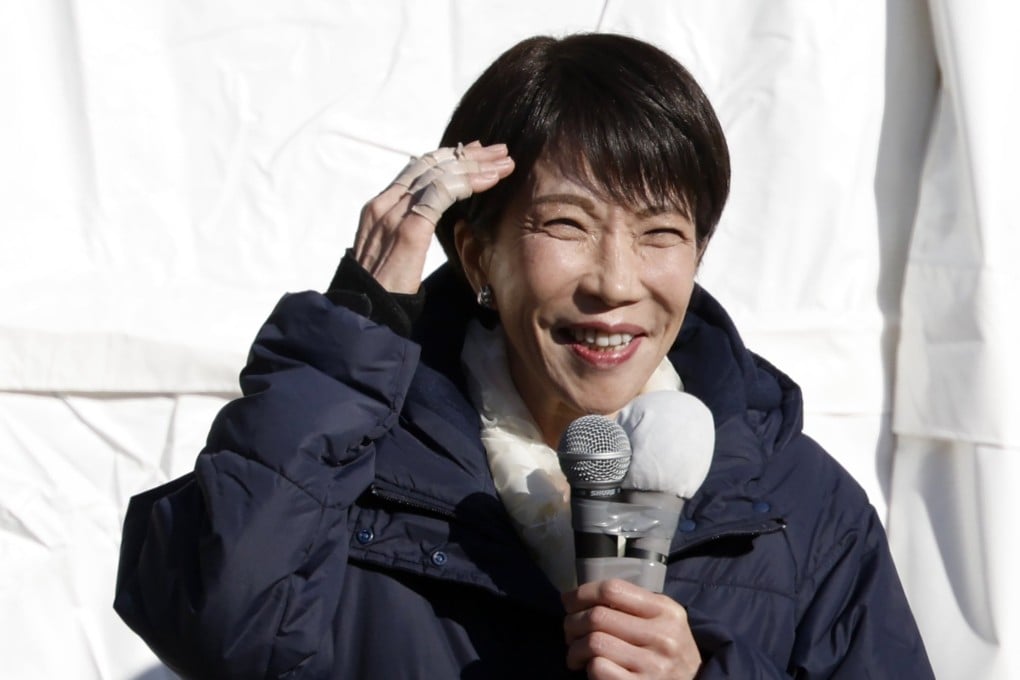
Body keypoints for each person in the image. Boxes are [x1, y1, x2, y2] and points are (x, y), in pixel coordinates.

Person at [114, 34, 934, 678]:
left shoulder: (795, 501)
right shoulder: (353, 463)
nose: (616, 282)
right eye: (568, 226)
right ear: (476, 257)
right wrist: (358, 321)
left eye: (660, 234)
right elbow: (218, 625)